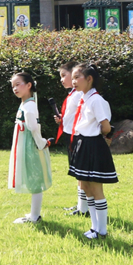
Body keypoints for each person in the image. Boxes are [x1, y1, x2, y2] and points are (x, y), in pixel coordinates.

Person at [69, 63, 116, 239]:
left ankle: (102, 231)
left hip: (93, 145)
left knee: (96, 188)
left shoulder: (96, 100)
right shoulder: (84, 98)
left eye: (77, 77)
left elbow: (106, 127)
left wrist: (100, 135)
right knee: (86, 187)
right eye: (72, 78)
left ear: (89, 79)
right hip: (83, 143)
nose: (73, 81)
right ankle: (94, 227)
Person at [8, 72, 52, 224]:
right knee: (33, 177)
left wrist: (41, 142)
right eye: (13, 86)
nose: (15, 88)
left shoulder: (29, 105)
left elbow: (33, 127)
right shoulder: (26, 103)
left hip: (30, 145)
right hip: (27, 143)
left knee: (35, 179)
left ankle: (35, 216)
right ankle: (34, 214)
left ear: (29, 85)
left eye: (18, 84)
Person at [53, 61, 86, 217]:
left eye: (64, 75)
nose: (62, 80)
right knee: (77, 172)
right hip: (70, 134)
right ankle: (81, 205)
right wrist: (63, 119)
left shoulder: (79, 94)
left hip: (78, 136)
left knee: (81, 172)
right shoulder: (73, 93)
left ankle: (84, 208)